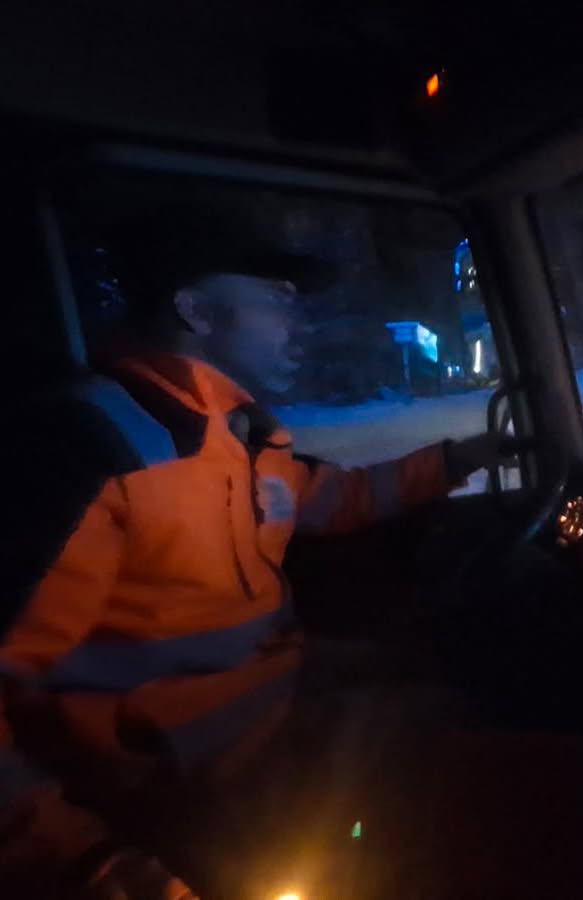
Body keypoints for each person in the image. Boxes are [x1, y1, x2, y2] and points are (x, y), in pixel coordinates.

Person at [0, 208, 512, 899]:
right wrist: (86, 863)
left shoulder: (237, 436)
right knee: (463, 746)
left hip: (268, 720)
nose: (299, 324)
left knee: (454, 688)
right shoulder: (93, 449)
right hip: (177, 791)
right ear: (195, 310)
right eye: (278, 299)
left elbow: (335, 498)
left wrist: (458, 460)